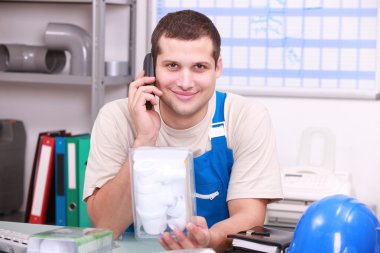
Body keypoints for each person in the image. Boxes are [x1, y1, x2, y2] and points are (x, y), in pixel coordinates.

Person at [83, 9, 283, 252]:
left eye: (199, 66)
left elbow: (249, 216)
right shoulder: (115, 117)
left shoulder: (245, 116)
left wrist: (206, 239)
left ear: (217, 67)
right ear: (150, 69)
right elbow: (106, 225)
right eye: (172, 66)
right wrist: (144, 140)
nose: (186, 82)